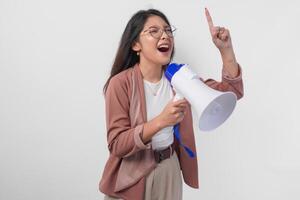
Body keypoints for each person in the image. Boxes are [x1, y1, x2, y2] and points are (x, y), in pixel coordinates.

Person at [99, 8, 244, 200]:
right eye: (154, 31)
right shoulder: (120, 83)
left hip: (169, 170)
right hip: (131, 175)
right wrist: (161, 121)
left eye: (168, 31)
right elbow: (117, 144)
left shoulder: (180, 77)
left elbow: (231, 93)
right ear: (135, 44)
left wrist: (226, 50)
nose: (165, 36)